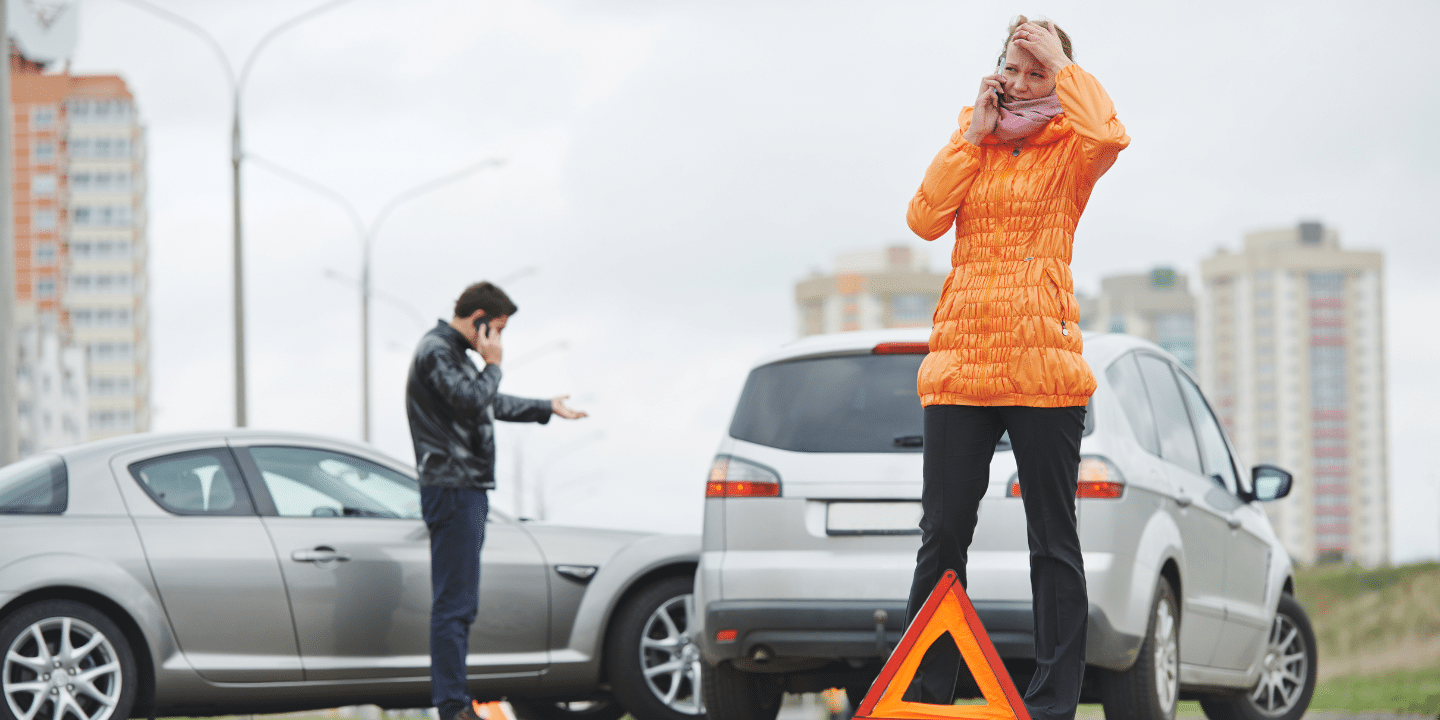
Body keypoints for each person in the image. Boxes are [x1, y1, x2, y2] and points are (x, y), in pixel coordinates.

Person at [901, 16, 1128, 720]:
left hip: (1043, 371)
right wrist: (971, 137)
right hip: (962, 367)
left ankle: (1052, 703)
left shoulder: (1072, 147)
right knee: (941, 534)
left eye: (1039, 72)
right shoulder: (974, 140)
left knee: (1052, 539)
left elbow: (1110, 135)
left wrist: (1063, 66)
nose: (1024, 83)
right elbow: (923, 219)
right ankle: (924, 694)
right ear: (996, 71)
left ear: (1059, 77)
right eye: (1015, 68)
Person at [405, 281, 587, 720]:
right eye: (498, 329)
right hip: (453, 487)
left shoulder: (452, 356)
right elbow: (472, 401)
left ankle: (454, 702)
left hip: (464, 486)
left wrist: (545, 406)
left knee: (460, 602)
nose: (500, 340)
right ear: (479, 319)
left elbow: (488, 402)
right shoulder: (436, 351)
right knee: (455, 604)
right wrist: (494, 364)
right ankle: (452, 707)